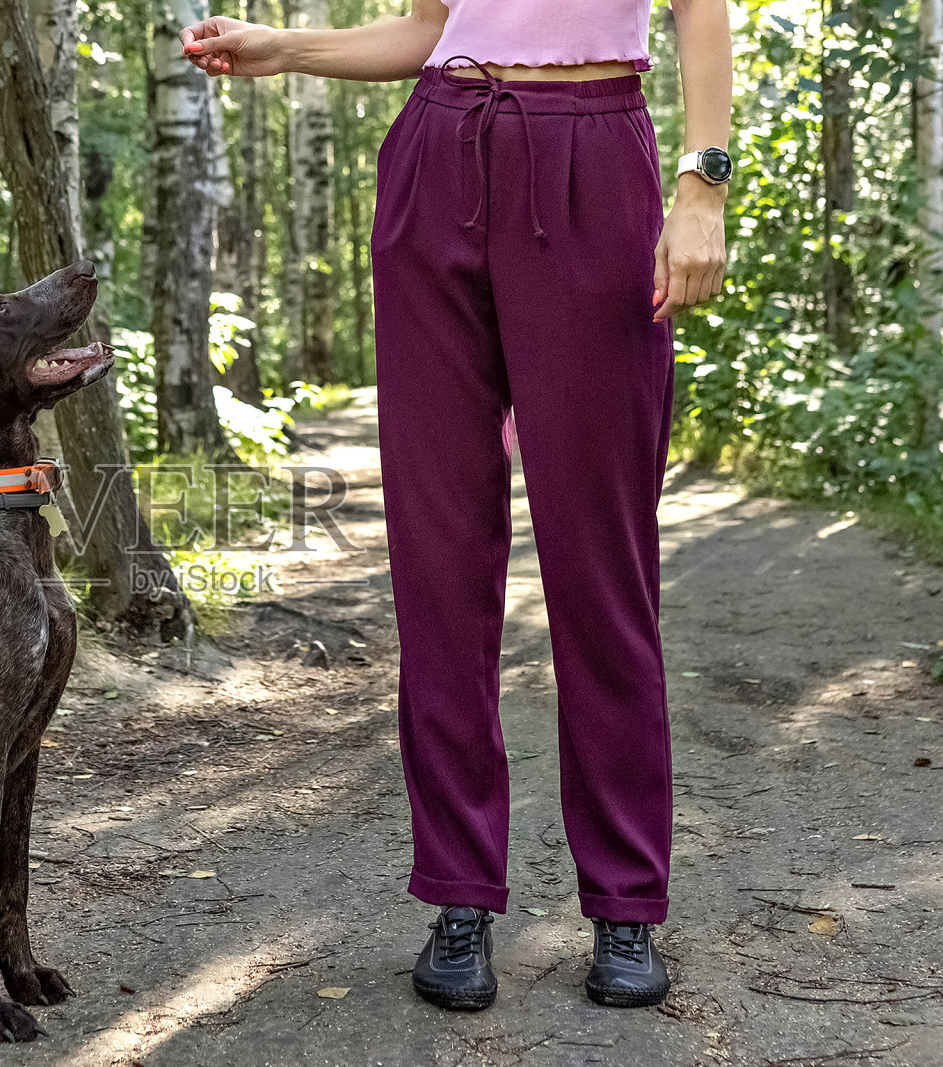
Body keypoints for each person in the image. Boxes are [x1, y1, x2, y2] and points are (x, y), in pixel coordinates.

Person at [182, 0, 731, 1011]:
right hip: (437, 165)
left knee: (599, 563)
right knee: (437, 559)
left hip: (593, 159)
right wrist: (286, 49)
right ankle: (458, 893)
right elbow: (432, 27)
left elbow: (701, 7)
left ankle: (623, 898)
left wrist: (703, 185)